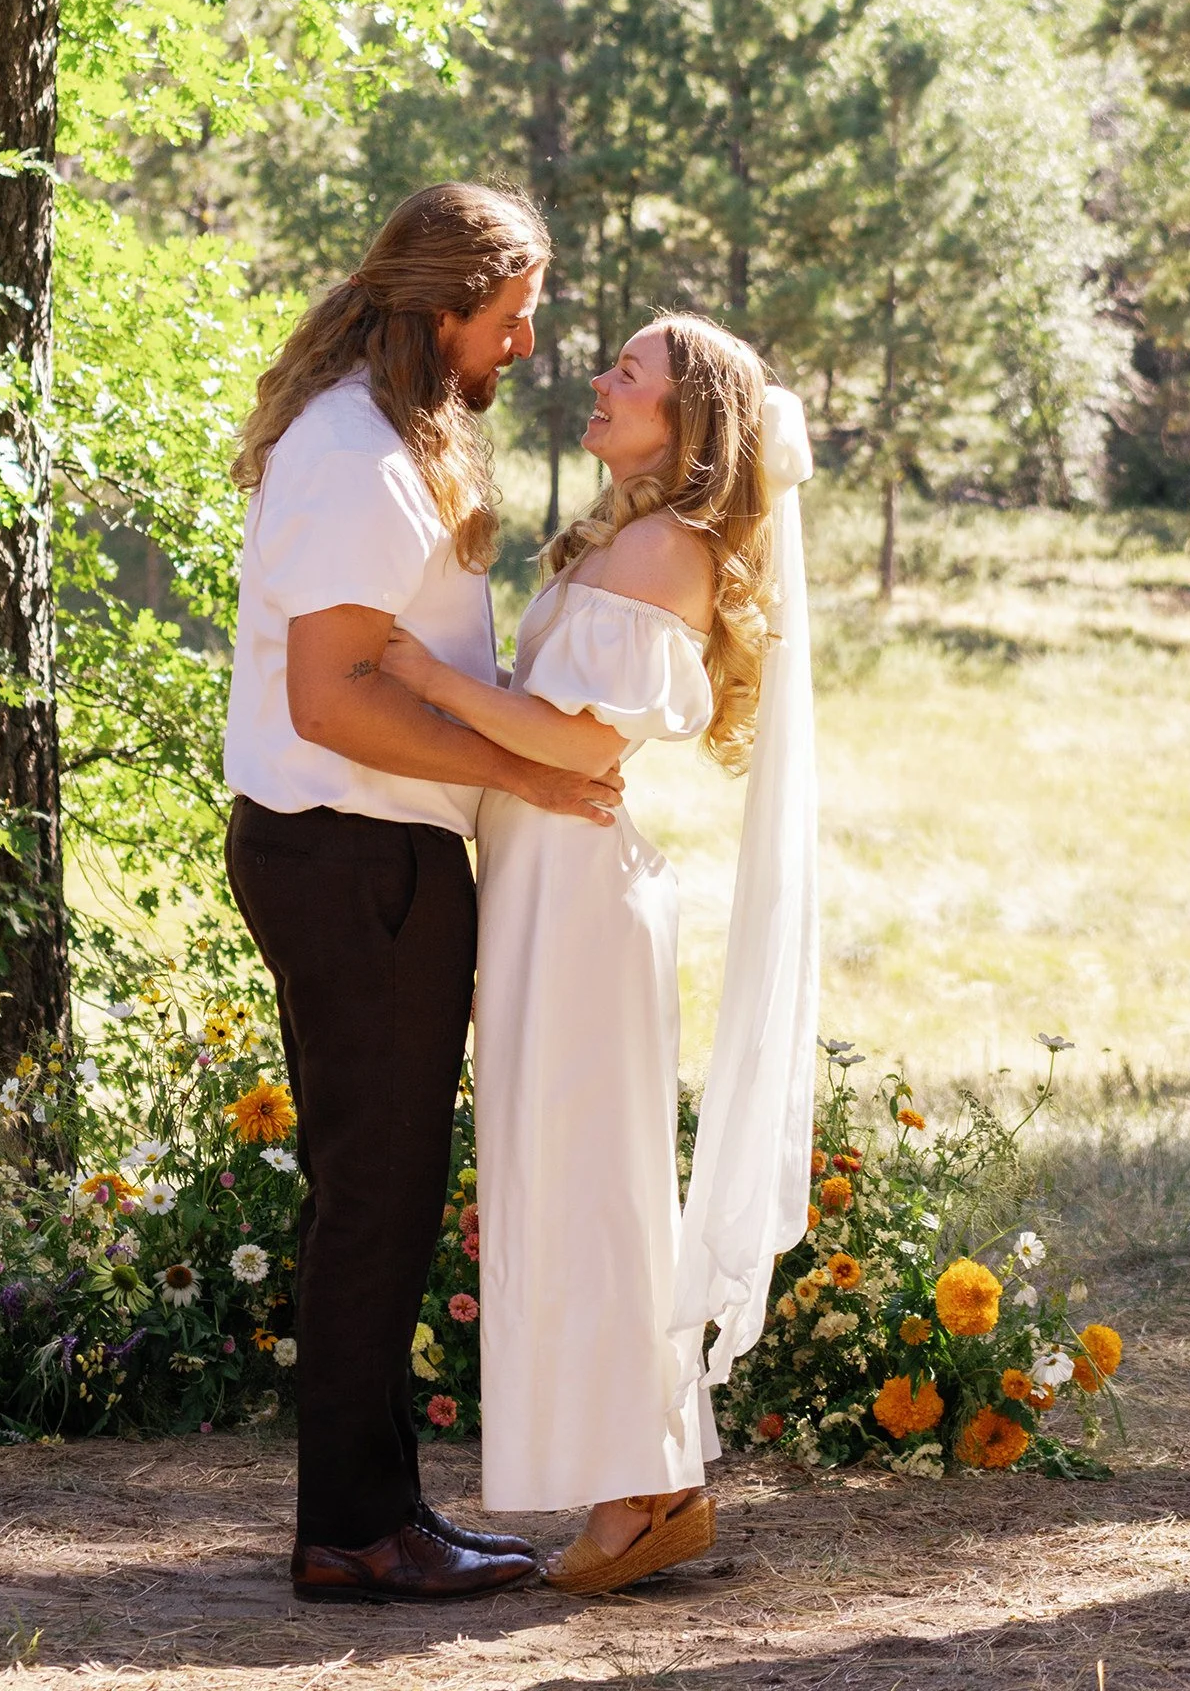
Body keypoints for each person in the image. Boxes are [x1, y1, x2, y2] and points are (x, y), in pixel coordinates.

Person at [223, 183, 626, 1606]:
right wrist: (516, 777)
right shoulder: (350, 450)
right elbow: (328, 700)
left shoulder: (383, 432)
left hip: (362, 853)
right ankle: (352, 1529)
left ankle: (378, 1510)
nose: (523, 346)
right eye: (510, 319)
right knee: (374, 1202)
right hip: (355, 854)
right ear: (444, 307)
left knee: (375, 1193)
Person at [382, 312, 819, 1593]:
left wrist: (417, 672)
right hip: (546, 885)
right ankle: (642, 1473)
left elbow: (581, 746)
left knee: (593, 1189)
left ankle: (652, 1487)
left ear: (688, 421)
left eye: (631, 370)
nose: (601, 377)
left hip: (578, 893)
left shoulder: (668, 546)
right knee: (562, 1177)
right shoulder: (633, 537)